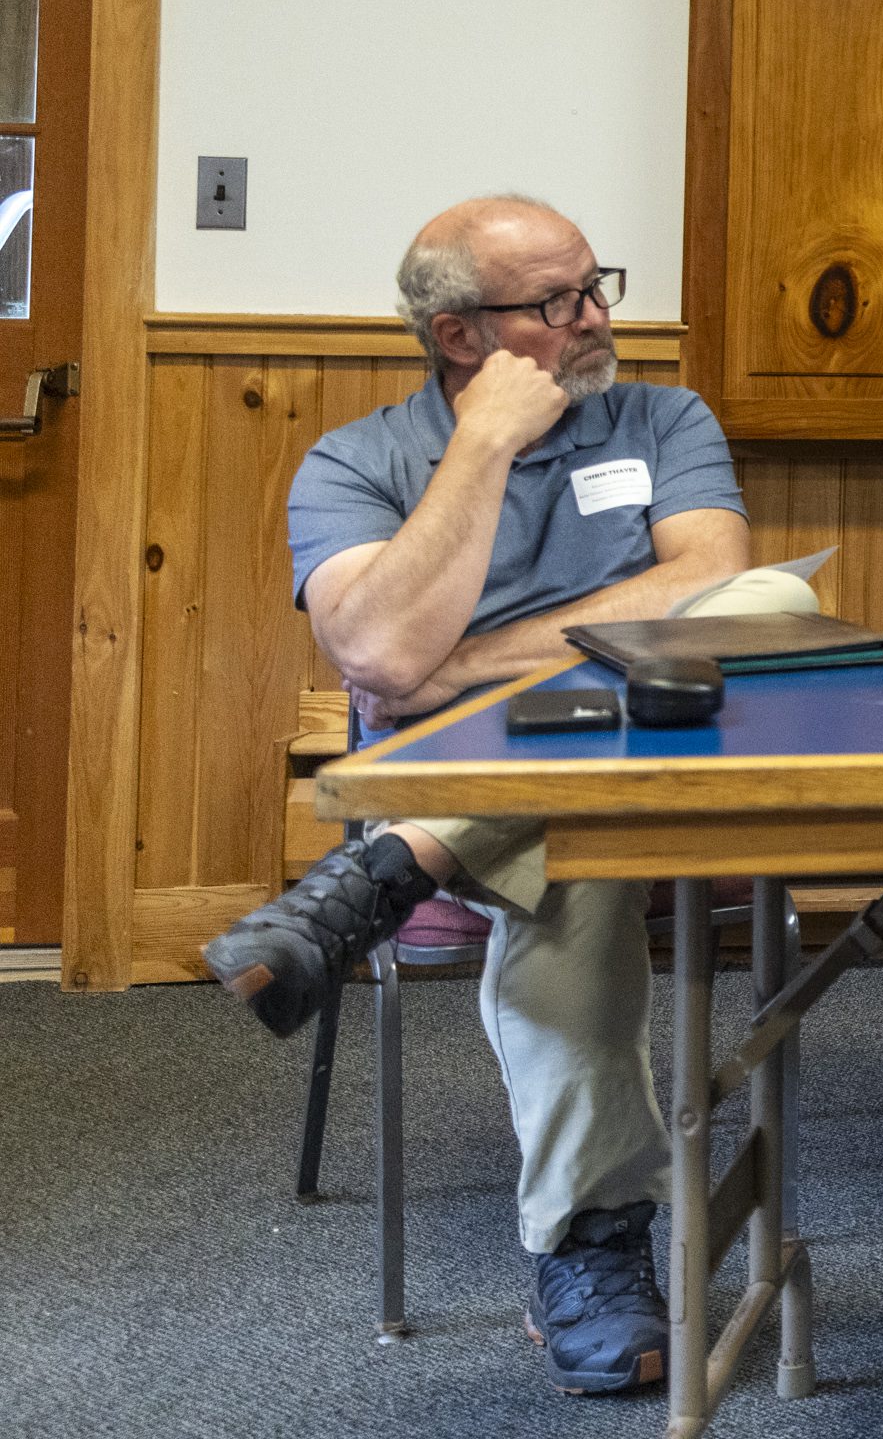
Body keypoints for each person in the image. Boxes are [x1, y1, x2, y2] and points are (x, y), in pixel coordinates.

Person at [205, 195, 760, 1395]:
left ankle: (386, 873)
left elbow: (710, 580)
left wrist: (469, 659)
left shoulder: (664, 418)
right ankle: (593, 1246)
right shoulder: (357, 462)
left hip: (668, 753)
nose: (598, 317)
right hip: (521, 787)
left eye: (595, 283)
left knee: (761, 609)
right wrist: (484, 448)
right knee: (578, 860)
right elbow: (387, 653)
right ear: (463, 337)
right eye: (558, 303)